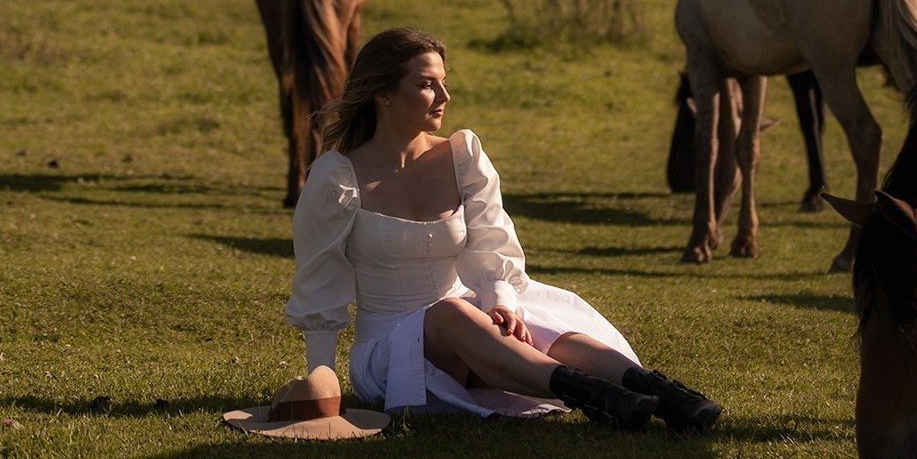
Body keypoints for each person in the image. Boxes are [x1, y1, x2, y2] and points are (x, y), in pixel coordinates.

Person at [286, 26, 722, 432]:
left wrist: (501, 301)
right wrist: (321, 384)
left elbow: (493, 242)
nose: (444, 95)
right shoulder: (338, 177)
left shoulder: (461, 155)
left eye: (442, 81)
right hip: (389, 348)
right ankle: (596, 396)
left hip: (467, 320)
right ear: (382, 93)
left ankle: (665, 396)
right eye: (426, 84)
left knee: (530, 323)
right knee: (451, 313)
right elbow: (319, 284)